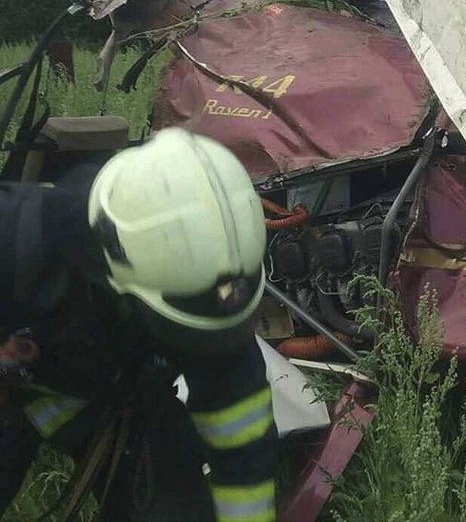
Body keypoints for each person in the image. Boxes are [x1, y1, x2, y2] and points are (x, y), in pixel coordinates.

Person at [0, 128, 277, 521]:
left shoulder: (207, 287)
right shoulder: (14, 244)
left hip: (101, 396)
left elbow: (243, 438)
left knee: (175, 500)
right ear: (113, 273)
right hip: (19, 394)